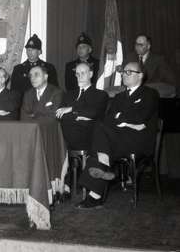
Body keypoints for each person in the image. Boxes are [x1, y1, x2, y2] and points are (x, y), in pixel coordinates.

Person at [77, 62, 159, 209]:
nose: (124, 75)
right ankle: (97, 188)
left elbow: (140, 118)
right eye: (123, 72)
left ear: (140, 75)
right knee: (99, 128)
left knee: (100, 141)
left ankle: (100, 178)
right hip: (119, 139)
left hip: (138, 141)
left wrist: (121, 117)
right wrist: (127, 121)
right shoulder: (119, 97)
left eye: (129, 72)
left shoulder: (150, 94)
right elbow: (108, 119)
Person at [56, 62, 108, 151]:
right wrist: (79, 116)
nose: (79, 76)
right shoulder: (68, 94)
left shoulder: (100, 94)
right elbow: (59, 115)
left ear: (90, 74)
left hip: (88, 139)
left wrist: (71, 109)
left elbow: (93, 113)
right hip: (68, 138)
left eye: (83, 73)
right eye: (77, 74)